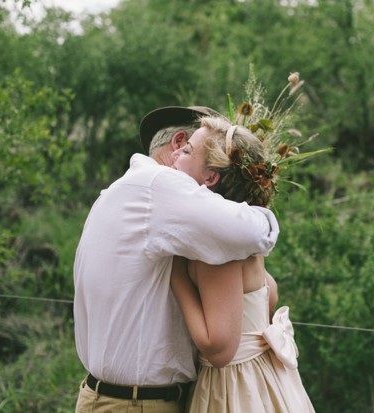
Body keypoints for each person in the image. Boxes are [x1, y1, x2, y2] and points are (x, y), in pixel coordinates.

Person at [73, 106, 279, 413]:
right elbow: (253, 233)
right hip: (136, 403)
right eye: (186, 148)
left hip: (123, 398)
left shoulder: (128, 191)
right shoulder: (158, 185)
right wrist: (263, 212)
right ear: (178, 142)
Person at [169, 115, 315, 412]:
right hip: (269, 378)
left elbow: (216, 345)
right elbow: (268, 295)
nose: (175, 154)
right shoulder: (244, 232)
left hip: (233, 387)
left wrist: (176, 276)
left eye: (186, 152)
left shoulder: (217, 243)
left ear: (210, 178)